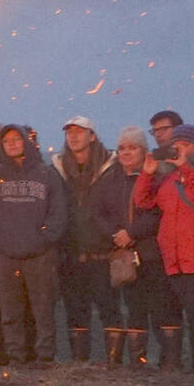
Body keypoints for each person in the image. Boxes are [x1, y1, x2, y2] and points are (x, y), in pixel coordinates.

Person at [131, 125, 194, 370]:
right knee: (193, 316)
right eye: (178, 146)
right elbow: (143, 201)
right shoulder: (169, 176)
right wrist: (147, 173)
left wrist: (185, 167)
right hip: (175, 260)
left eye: (186, 145)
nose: (181, 150)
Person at [0, 124, 68, 365]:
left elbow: (59, 212)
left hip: (39, 255)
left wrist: (45, 239)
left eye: (16, 139)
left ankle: (45, 357)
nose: (12, 144)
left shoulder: (46, 173)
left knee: (42, 309)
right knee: (10, 311)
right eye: (6, 141)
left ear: (26, 141)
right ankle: (16, 357)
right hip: (4, 254)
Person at [93, 128, 173, 368]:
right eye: (122, 148)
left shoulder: (158, 176)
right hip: (125, 256)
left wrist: (132, 233)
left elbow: (160, 211)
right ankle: (138, 362)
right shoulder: (109, 179)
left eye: (133, 147)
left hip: (153, 252)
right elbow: (97, 213)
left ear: (144, 150)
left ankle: (170, 363)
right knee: (134, 308)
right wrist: (115, 234)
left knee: (162, 308)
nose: (126, 152)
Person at [54, 116, 115, 362]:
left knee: (109, 310)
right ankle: (80, 365)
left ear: (92, 136)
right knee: (75, 311)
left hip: (103, 254)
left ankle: (115, 364)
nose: (74, 136)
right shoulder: (57, 169)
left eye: (80, 131)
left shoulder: (111, 167)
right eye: (69, 132)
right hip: (70, 255)